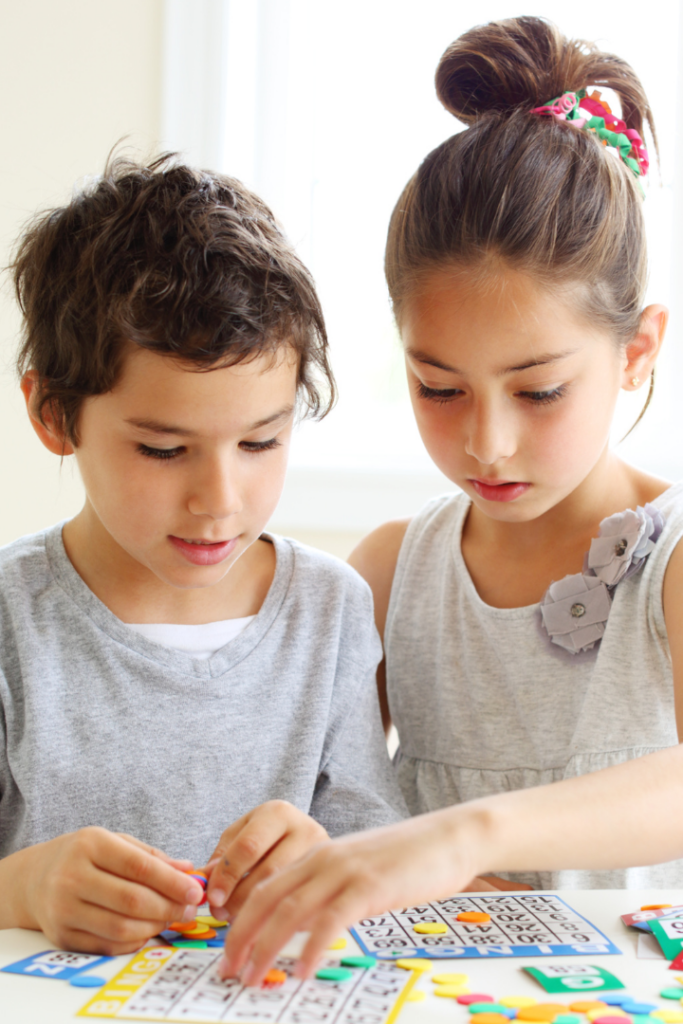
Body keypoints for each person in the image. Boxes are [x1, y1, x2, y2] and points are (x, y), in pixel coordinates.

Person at [219, 16, 683, 984]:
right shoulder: (392, 570)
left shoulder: (668, 562)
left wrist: (458, 836)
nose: (485, 440)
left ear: (636, 349)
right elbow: (301, 794)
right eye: (438, 386)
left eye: (538, 389)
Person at [0, 156, 406, 955]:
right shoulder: (14, 620)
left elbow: (376, 853)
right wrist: (23, 887)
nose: (219, 499)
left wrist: (322, 859)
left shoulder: (330, 609)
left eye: (262, 441)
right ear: (54, 413)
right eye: (161, 449)